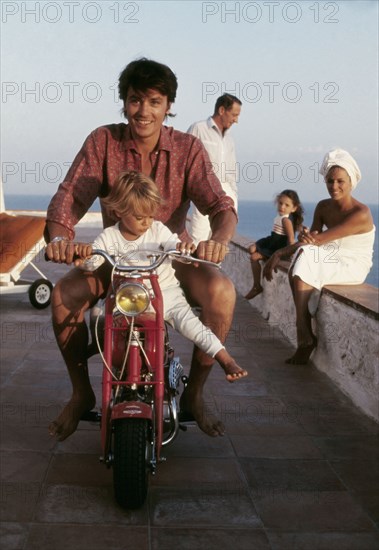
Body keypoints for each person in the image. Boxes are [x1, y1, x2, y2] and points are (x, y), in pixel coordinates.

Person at [45, 58, 238, 441]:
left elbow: (221, 205)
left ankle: (195, 396)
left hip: (169, 257)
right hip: (114, 256)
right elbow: (69, 197)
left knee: (222, 292)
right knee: (63, 296)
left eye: (154, 101)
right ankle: (81, 392)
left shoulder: (188, 148)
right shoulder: (103, 141)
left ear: (169, 106)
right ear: (124, 102)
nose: (143, 111)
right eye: (135, 100)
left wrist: (218, 241)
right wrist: (59, 240)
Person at [74, 171, 247, 383]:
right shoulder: (110, 236)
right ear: (118, 212)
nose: (146, 222)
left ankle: (224, 357)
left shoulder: (157, 230)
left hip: (165, 295)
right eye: (139, 217)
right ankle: (100, 345)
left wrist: (182, 248)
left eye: (150, 216)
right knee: (100, 315)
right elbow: (95, 258)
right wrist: (85, 257)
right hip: (128, 298)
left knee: (192, 326)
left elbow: (173, 244)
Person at [263, 149, 375, 365]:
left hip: (351, 264)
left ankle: (303, 332)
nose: (334, 186)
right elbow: (311, 240)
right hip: (326, 254)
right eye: (330, 181)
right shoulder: (323, 206)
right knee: (304, 254)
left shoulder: (361, 213)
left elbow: (317, 241)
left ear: (351, 182)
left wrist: (289, 249)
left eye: (340, 181)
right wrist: (279, 253)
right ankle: (305, 335)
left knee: (305, 254)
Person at [187, 93, 242, 244]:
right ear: (222, 110)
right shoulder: (198, 128)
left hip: (227, 191)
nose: (236, 120)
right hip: (204, 189)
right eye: (234, 115)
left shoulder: (229, 139)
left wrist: (233, 194)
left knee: (220, 240)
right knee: (198, 235)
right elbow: (186, 159)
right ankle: (194, 266)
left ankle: (214, 267)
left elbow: (231, 168)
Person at [245, 190, 304, 300]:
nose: (282, 207)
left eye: (287, 205)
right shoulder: (280, 217)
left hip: (277, 247)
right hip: (271, 241)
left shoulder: (286, 220)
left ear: (294, 208)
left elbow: (291, 240)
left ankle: (256, 286)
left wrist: (289, 256)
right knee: (251, 249)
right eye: (280, 203)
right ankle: (256, 285)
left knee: (254, 257)